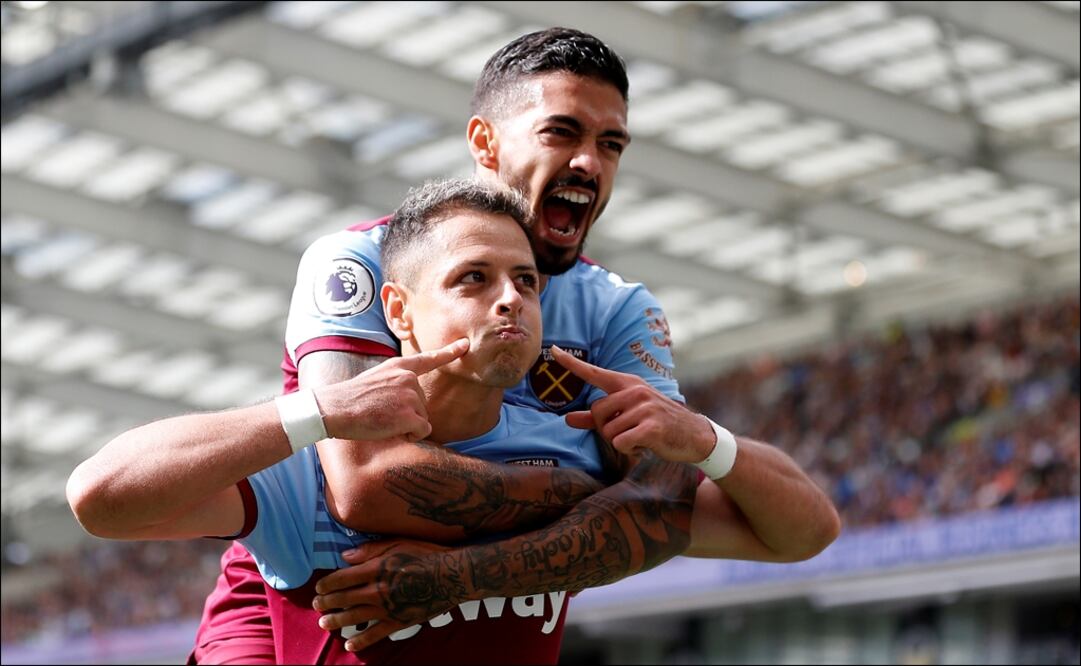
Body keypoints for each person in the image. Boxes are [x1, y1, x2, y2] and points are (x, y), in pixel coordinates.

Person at [192, 26, 840, 663]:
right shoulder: (365, 262)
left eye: (610, 143)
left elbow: (660, 513)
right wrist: (587, 491)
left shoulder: (616, 311)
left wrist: (462, 577)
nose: (589, 161)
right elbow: (365, 483)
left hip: (483, 609)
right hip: (295, 607)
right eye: (562, 132)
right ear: (484, 141)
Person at [68, 178, 698, 664]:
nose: (510, 298)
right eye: (473, 279)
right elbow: (100, 497)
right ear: (397, 310)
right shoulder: (312, 466)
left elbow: (712, 520)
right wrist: (318, 411)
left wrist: (457, 577)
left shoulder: (576, 447)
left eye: (526, 281)